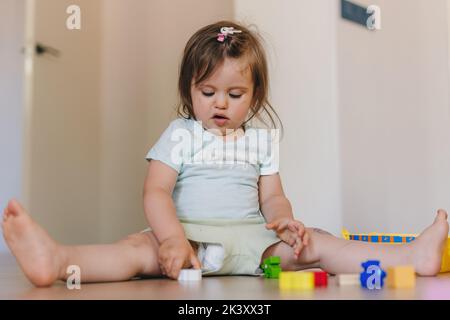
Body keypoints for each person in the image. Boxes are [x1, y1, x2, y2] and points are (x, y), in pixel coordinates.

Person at [1, 21, 448, 287]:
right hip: (190, 240)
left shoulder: (260, 140)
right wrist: (173, 238)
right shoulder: (181, 133)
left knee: (319, 243)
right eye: (208, 91)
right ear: (189, 91)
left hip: (255, 244)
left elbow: (272, 197)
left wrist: (285, 222)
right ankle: (58, 260)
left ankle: (409, 258)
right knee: (137, 250)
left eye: (234, 94)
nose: (219, 103)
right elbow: (156, 191)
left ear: (253, 97)